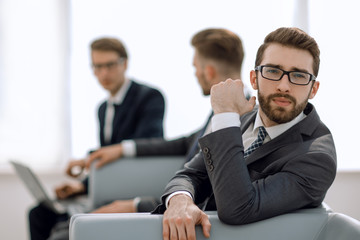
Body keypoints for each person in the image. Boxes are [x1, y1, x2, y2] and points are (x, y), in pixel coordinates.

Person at [154, 27, 337, 240]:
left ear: (313, 89)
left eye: (298, 75)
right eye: (273, 71)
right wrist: (180, 200)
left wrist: (225, 115)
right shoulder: (242, 120)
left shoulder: (317, 158)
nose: (283, 85)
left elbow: (238, 207)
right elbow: (190, 174)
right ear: (254, 79)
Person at [81, 28, 250, 214]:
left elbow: (206, 193)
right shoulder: (220, 115)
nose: (194, 74)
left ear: (208, 72)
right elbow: (184, 143)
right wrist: (122, 149)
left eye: (195, 67)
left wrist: (135, 205)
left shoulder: (238, 124)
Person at [28, 37, 166, 240]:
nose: (103, 73)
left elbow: (145, 144)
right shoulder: (103, 109)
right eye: (97, 67)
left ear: (124, 63)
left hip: (129, 190)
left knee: (61, 230)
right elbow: (107, 155)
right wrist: (82, 185)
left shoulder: (149, 97)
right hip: (105, 188)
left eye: (109, 65)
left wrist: (86, 161)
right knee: (39, 213)